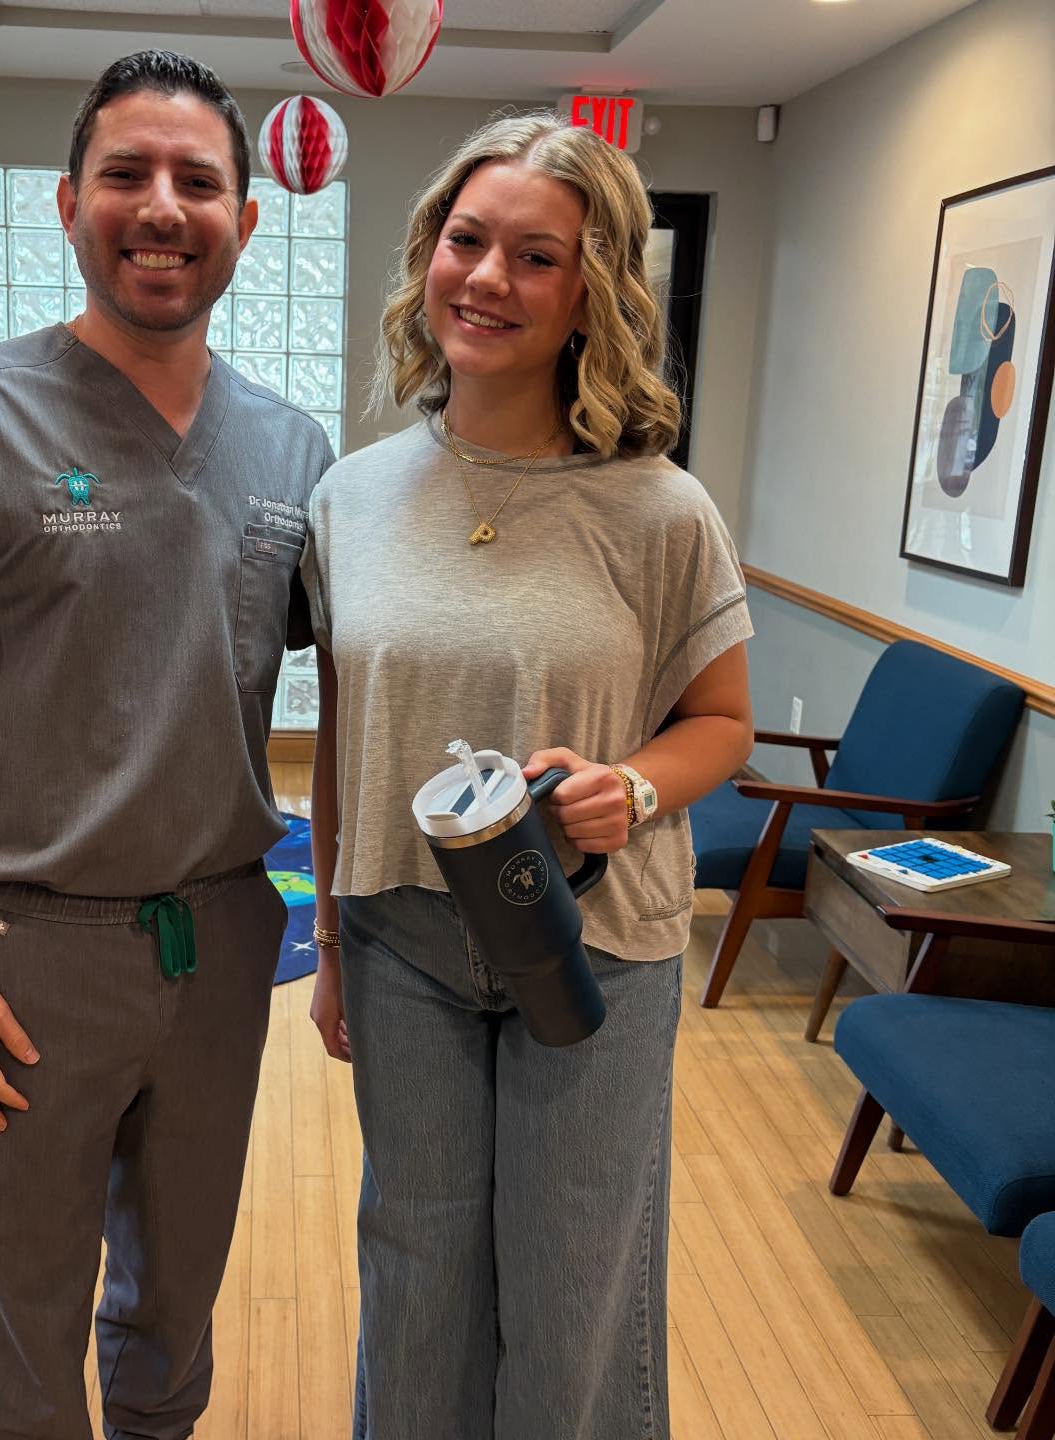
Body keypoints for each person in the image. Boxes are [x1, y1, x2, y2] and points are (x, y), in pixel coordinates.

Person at [0, 50, 332, 1440]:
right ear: (68, 203)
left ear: (247, 216)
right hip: (19, 958)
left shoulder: (292, 450)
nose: (162, 208)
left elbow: (350, 691)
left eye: (198, 181)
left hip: (222, 940)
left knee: (176, 1312)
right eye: (127, 175)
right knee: (25, 1331)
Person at [301, 113, 755, 1439]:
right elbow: (341, 740)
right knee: (417, 1276)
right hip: (403, 942)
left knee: (575, 1296)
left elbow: (720, 721)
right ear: (428, 256)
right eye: (467, 240)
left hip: (597, 946)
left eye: (536, 257)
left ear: (589, 297)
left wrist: (638, 786)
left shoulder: (660, 509)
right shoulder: (355, 498)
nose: (488, 278)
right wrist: (327, 942)